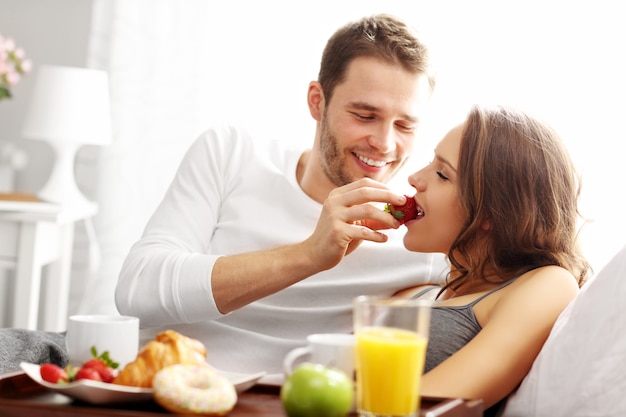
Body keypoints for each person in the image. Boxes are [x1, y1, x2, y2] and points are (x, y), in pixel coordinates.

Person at [115, 13, 447, 382]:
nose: (385, 144)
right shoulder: (232, 154)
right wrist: (309, 254)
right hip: (155, 390)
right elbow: (138, 289)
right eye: (365, 115)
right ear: (317, 102)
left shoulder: (423, 234)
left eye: (405, 126)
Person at [395, 104, 591, 414]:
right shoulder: (413, 290)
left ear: (491, 211)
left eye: (442, 174)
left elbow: (424, 406)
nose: (414, 178)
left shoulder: (548, 284)